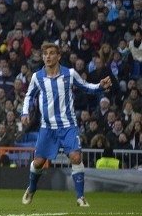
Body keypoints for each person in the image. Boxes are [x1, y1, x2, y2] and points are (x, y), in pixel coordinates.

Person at [21, 42, 111, 207]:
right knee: (39, 162)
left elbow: (86, 87)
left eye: (51, 53)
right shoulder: (37, 77)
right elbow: (28, 96)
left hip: (68, 126)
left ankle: (80, 197)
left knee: (76, 157)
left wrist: (100, 86)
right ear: (42, 57)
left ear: (58, 56)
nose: (48, 56)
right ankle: (31, 188)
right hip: (47, 128)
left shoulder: (69, 74)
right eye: (45, 54)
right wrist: (25, 113)